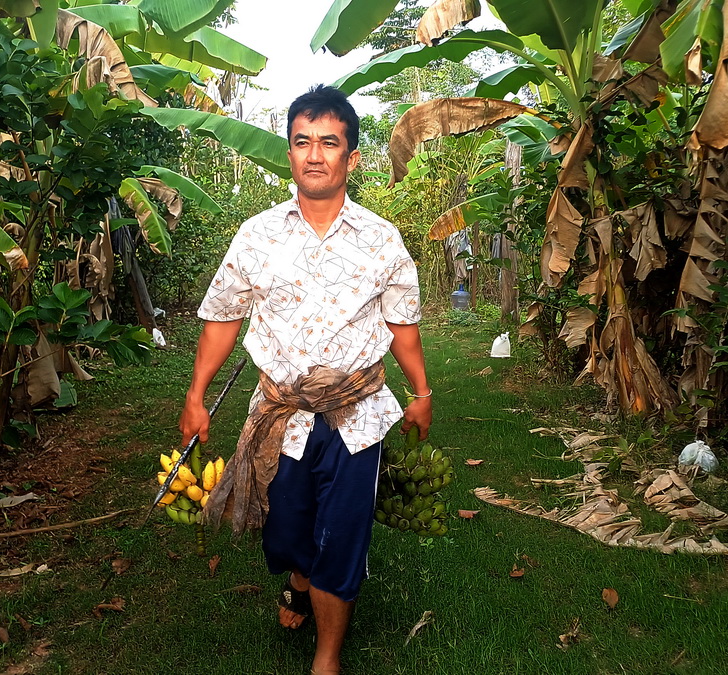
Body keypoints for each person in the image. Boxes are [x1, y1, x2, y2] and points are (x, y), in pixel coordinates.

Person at [178, 84, 431, 675]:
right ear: (290, 152)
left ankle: (327, 656)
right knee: (286, 532)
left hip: (356, 414)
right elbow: (223, 318)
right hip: (280, 413)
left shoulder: (381, 240)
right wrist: (195, 396)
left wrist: (421, 393)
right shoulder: (257, 236)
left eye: (329, 143)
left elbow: (403, 326)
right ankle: (297, 579)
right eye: (302, 141)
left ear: (352, 157)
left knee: (340, 540)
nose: (314, 155)